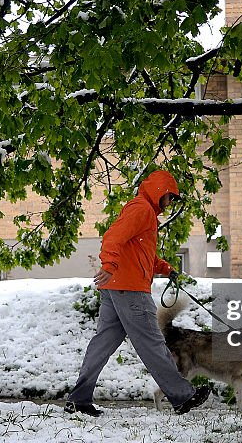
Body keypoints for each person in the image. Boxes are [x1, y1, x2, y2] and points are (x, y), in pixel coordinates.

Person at [65, 169, 211, 417]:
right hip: (130, 290)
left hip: (116, 289)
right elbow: (113, 237)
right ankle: (182, 396)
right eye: (170, 197)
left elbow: (139, 252)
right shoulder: (141, 209)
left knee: (102, 344)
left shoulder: (143, 211)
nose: (170, 203)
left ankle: (78, 399)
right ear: (160, 191)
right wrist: (109, 265)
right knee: (152, 343)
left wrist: (164, 267)